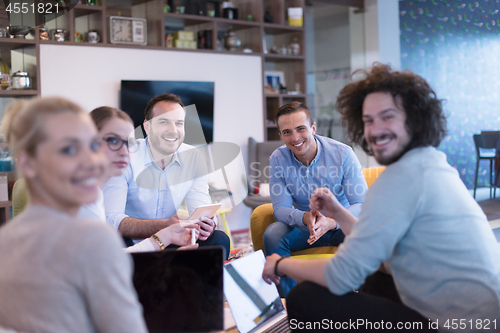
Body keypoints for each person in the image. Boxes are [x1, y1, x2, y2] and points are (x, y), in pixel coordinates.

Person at [262, 64, 500, 332]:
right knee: (379, 276)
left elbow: (342, 275)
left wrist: (280, 263)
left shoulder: (399, 179)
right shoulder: (430, 164)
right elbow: (369, 236)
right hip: (480, 316)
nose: (375, 130)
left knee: (303, 298)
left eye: (387, 117)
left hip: (456, 324)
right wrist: (338, 212)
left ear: (415, 118)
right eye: (368, 120)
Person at [0, 97, 148, 332]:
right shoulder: (92, 237)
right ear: (28, 164)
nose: (92, 161)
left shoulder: (6, 239)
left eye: (91, 146)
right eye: (69, 149)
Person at [104, 93, 230, 258]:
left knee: (219, 239)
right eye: (164, 122)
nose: (173, 130)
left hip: (171, 242)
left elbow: (200, 211)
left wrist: (207, 225)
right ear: (147, 127)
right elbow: (111, 220)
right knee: (112, 240)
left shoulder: (194, 157)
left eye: (179, 123)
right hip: (130, 245)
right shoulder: (125, 156)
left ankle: (184, 278)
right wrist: (165, 226)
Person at [263, 101, 367, 296]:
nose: (295, 138)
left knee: (364, 230)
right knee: (273, 234)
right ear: (280, 135)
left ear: (313, 127)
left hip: (340, 226)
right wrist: (304, 218)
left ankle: (356, 300)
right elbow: (280, 209)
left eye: (301, 129)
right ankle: (288, 305)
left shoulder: (343, 154)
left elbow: (361, 205)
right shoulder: (278, 158)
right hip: (306, 227)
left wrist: (331, 222)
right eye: (287, 132)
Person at [81, 106, 200, 252]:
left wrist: (166, 237)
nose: (125, 152)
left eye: (129, 143)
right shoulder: (78, 203)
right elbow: (103, 264)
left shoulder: (95, 196)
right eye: (113, 140)